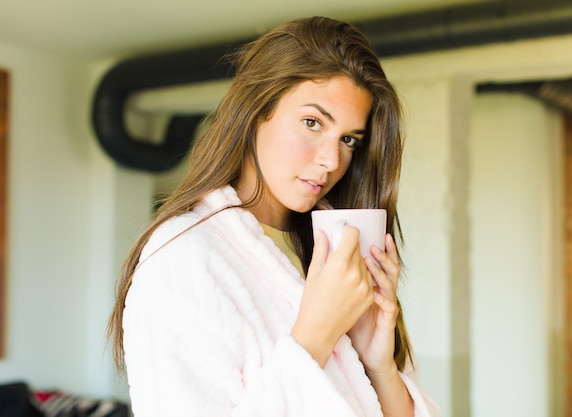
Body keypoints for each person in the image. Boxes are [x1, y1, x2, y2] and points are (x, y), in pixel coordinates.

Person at [108, 16, 440, 417]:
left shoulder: (332, 246)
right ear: (256, 111)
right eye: (313, 123)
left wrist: (378, 363)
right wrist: (314, 337)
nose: (332, 160)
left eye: (348, 139)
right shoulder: (182, 258)